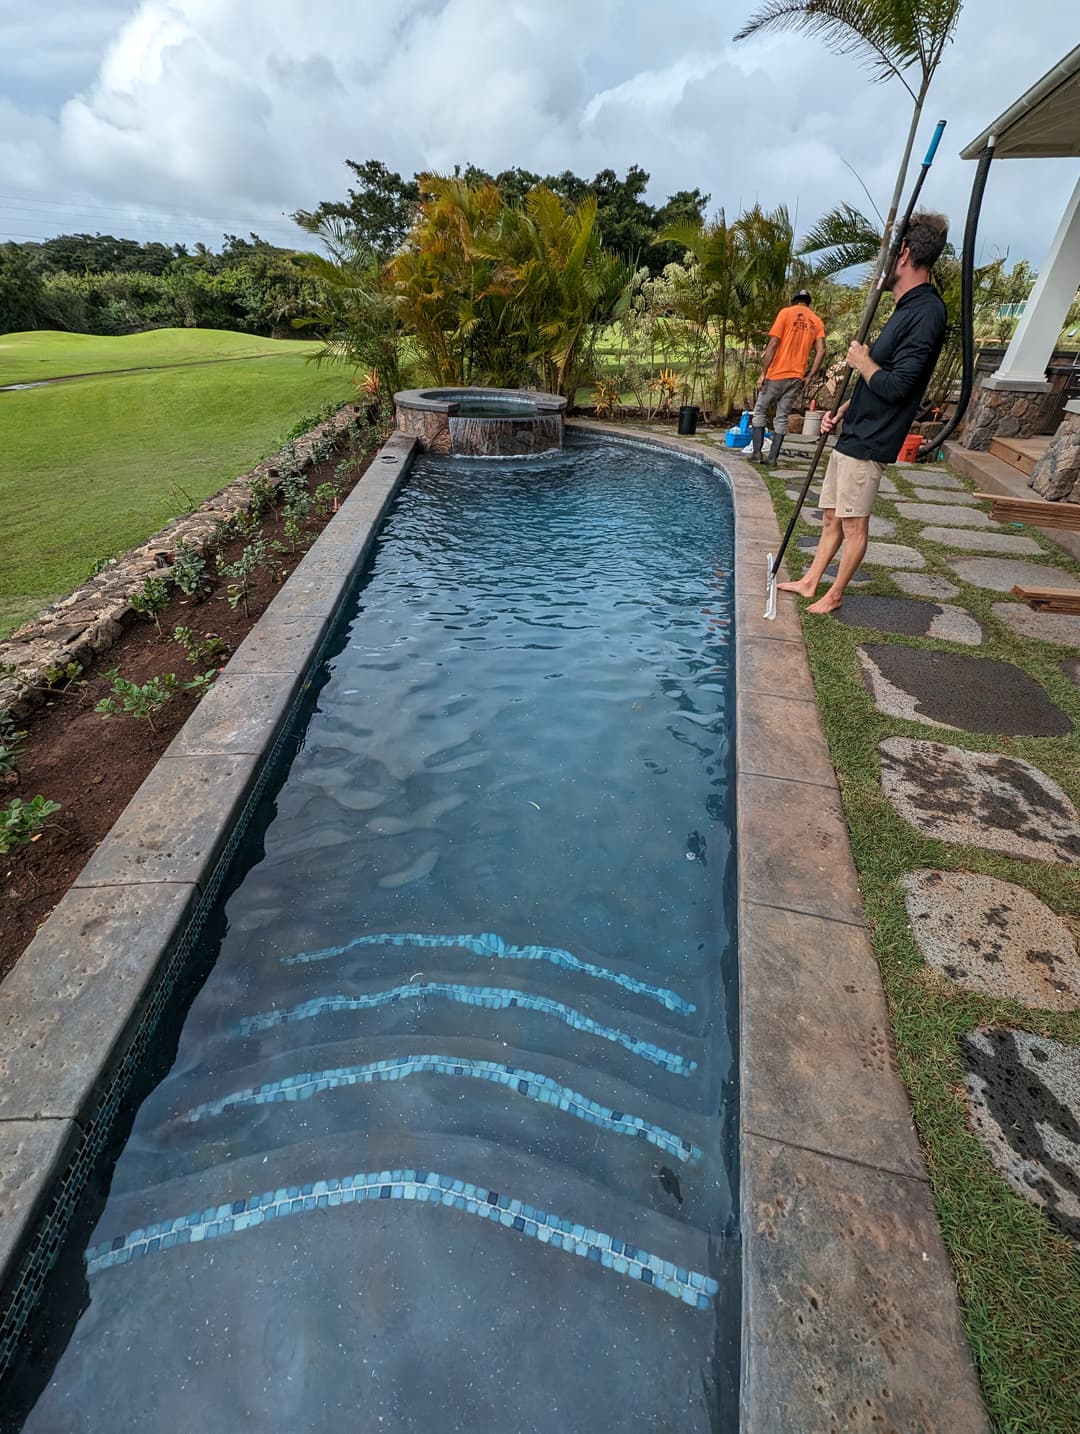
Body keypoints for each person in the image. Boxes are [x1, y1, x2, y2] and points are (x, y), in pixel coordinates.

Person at [779, 212, 949, 616]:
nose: (881, 265)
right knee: (832, 517)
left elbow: (897, 385)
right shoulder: (906, 307)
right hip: (856, 427)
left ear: (904, 254)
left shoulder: (926, 313)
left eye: (886, 255)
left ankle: (835, 594)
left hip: (874, 438)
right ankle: (809, 581)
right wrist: (844, 408)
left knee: (854, 523)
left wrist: (862, 362)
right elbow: (882, 375)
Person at [748, 288, 825, 465]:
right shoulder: (816, 321)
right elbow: (821, 351)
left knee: (760, 410)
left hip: (777, 373)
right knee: (782, 417)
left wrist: (763, 372)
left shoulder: (786, 313)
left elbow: (773, 343)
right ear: (808, 303)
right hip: (797, 377)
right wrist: (809, 376)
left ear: (794, 301)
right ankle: (773, 458)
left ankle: (757, 454)